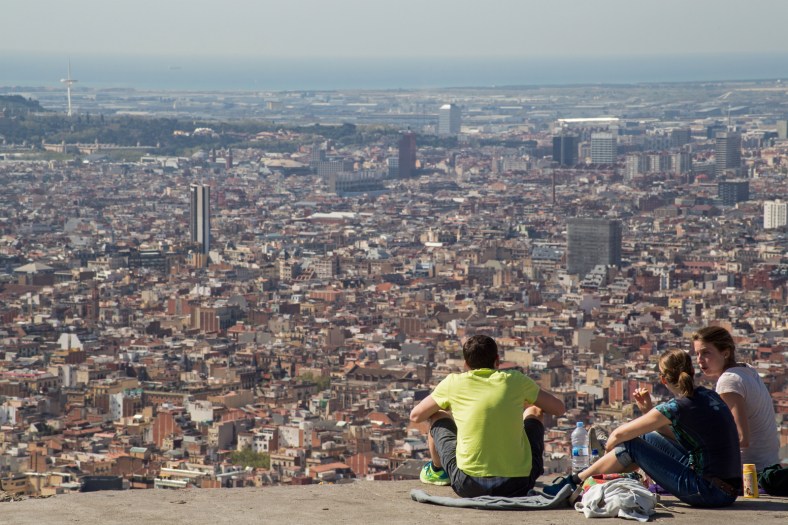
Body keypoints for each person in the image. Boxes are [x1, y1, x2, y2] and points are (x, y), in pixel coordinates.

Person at [545, 349, 741, 508]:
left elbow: (619, 434)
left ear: (663, 379)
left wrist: (609, 450)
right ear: (691, 371)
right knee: (646, 437)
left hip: (708, 491)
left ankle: (573, 482)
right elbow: (678, 439)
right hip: (725, 490)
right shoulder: (708, 395)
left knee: (631, 444)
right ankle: (608, 474)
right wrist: (648, 411)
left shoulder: (677, 407)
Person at [409, 334, 566, 498]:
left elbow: (416, 416)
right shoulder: (516, 380)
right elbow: (559, 409)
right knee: (535, 411)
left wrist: (450, 404)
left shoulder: (453, 383)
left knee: (437, 415)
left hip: (467, 485)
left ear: (466, 364)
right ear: (497, 360)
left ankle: (437, 471)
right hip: (518, 485)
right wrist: (522, 401)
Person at [693, 326, 780, 472]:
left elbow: (741, 438)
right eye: (697, 354)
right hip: (768, 466)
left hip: (748, 472)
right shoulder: (747, 370)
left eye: (706, 353)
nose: (699, 360)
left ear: (726, 353)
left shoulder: (729, 380)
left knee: (652, 440)